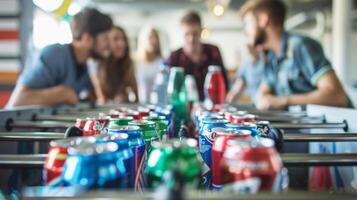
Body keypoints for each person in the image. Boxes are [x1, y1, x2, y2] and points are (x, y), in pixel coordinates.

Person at [240, 0, 352, 110]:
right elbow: (263, 95)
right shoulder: (271, 57)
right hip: (305, 125)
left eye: (247, 23)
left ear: (263, 19)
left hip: (339, 126)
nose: (245, 31)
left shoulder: (300, 46)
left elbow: (337, 96)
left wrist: (283, 101)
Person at [6, 8, 113, 108]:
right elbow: (18, 100)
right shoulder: (55, 54)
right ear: (87, 38)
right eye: (105, 39)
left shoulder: (85, 65)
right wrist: (63, 93)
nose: (110, 45)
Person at [167, 11, 229, 101]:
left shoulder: (213, 51)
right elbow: (170, 90)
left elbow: (224, 84)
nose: (191, 39)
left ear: (201, 31)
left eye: (195, 34)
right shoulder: (174, 56)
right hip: (183, 109)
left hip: (211, 109)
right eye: (187, 34)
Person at [88, 26, 138, 104]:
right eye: (115, 39)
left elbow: (135, 96)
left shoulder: (128, 64)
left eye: (123, 39)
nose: (121, 44)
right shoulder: (95, 64)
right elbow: (100, 98)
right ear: (106, 42)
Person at [135, 26, 163, 103]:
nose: (153, 41)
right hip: (142, 105)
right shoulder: (135, 63)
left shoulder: (163, 62)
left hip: (160, 104)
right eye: (150, 37)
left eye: (155, 37)